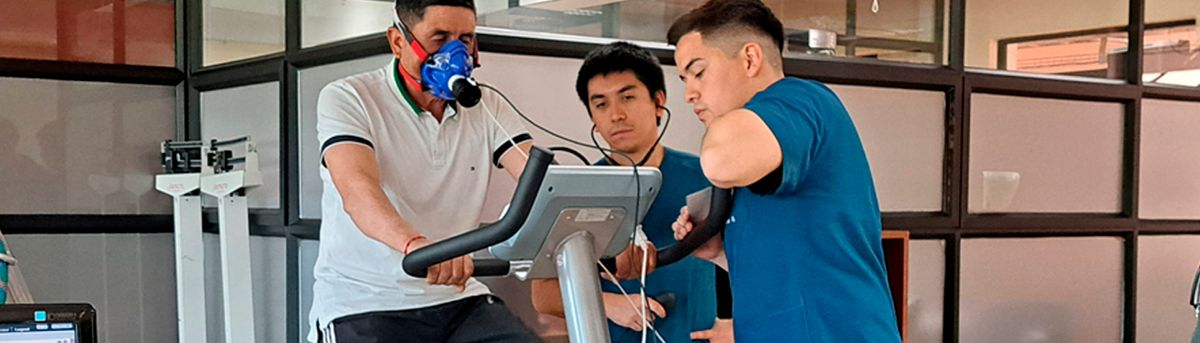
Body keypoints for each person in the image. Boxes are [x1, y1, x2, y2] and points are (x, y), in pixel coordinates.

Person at [307, 1, 542, 341]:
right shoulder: (350, 97)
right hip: (366, 300)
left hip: (458, 296)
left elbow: (538, 179)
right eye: (439, 37)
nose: (455, 52)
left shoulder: (486, 105)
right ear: (398, 41)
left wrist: (613, 231)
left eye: (465, 39)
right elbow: (357, 189)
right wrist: (415, 245)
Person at [667, 0, 901, 341]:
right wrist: (719, 249)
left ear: (750, 59)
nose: (689, 94)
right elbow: (793, 265)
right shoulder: (759, 153)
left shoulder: (800, 100)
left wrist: (720, 121)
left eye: (699, 72)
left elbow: (719, 160)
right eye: (684, 79)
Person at [528, 42, 734, 342]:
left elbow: (750, 261)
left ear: (658, 102)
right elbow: (542, 295)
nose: (616, 115)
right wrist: (611, 305)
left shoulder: (709, 174)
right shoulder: (575, 191)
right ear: (593, 120)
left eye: (628, 97)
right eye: (601, 104)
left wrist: (733, 325)